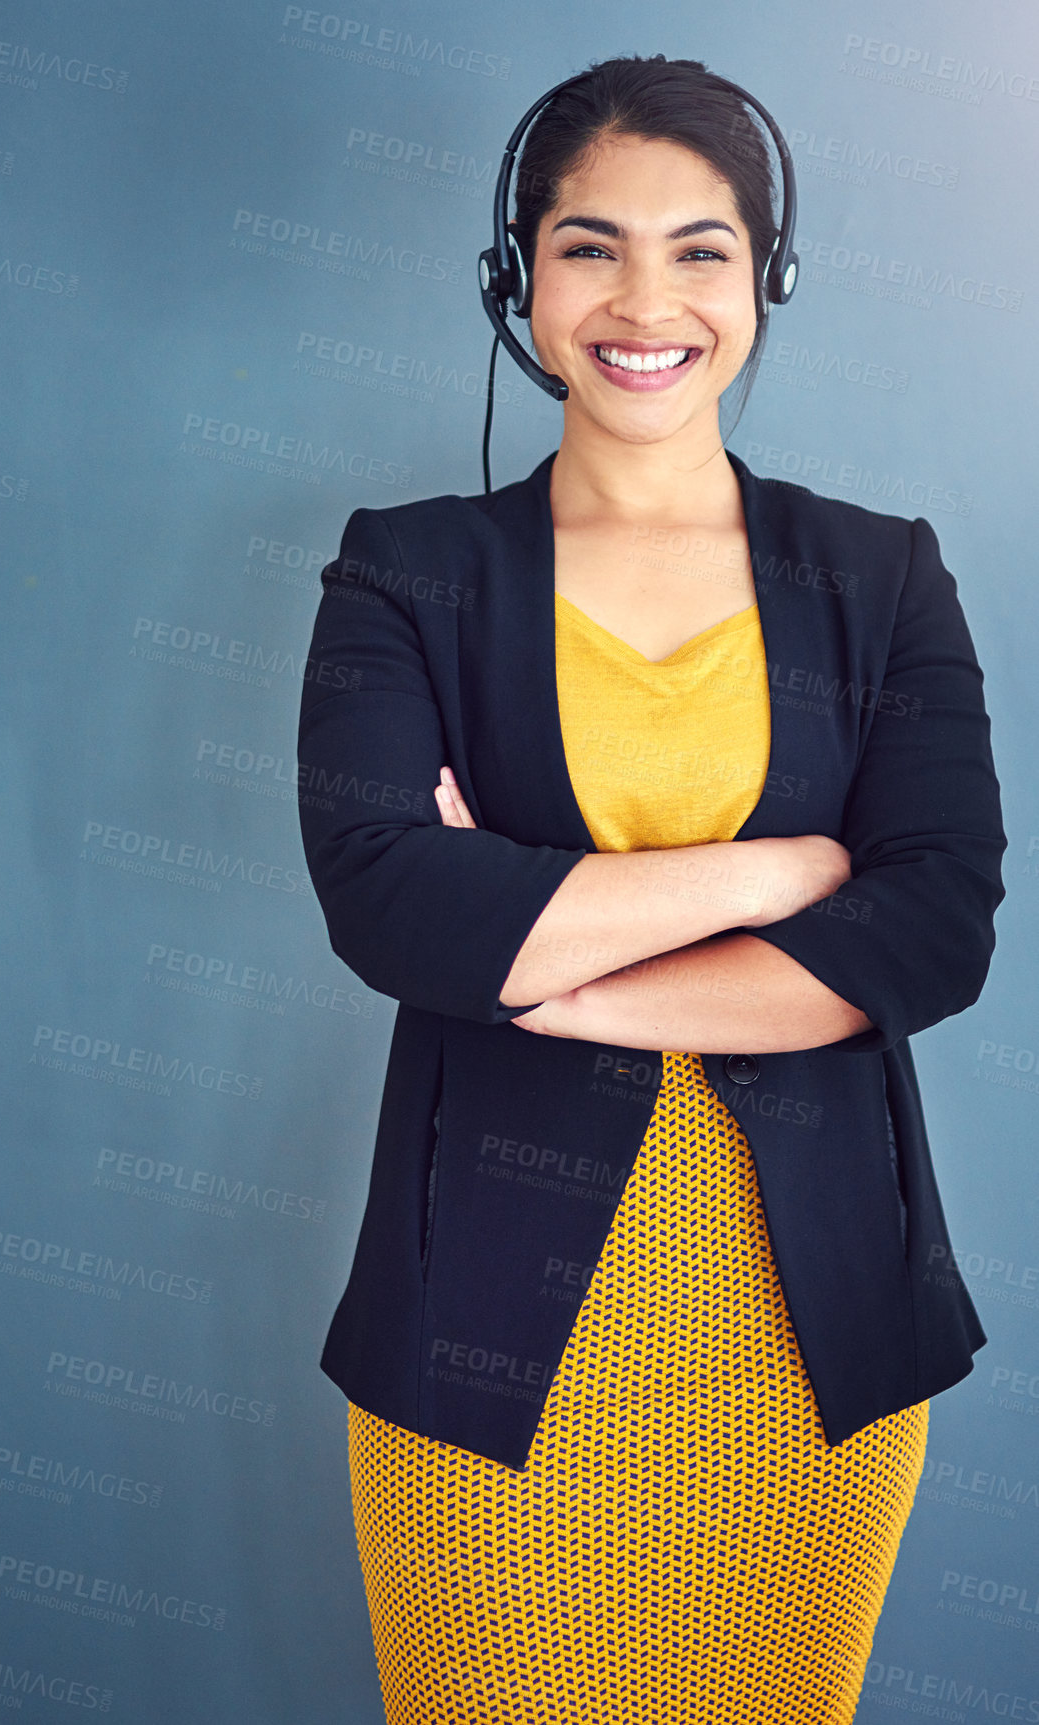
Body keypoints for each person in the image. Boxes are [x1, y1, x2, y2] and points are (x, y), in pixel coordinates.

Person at [296, 53, 1006, 1725]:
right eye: (587, 243)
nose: (643, 299)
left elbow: (934, 922)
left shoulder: (877, 572)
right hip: (482, 1335)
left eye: (698, 248)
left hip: (806, 1335)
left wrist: (557, 964)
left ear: (762, 279)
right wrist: (785, 869)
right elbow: (394, 901)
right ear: (518, 280)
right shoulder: (407, 572)